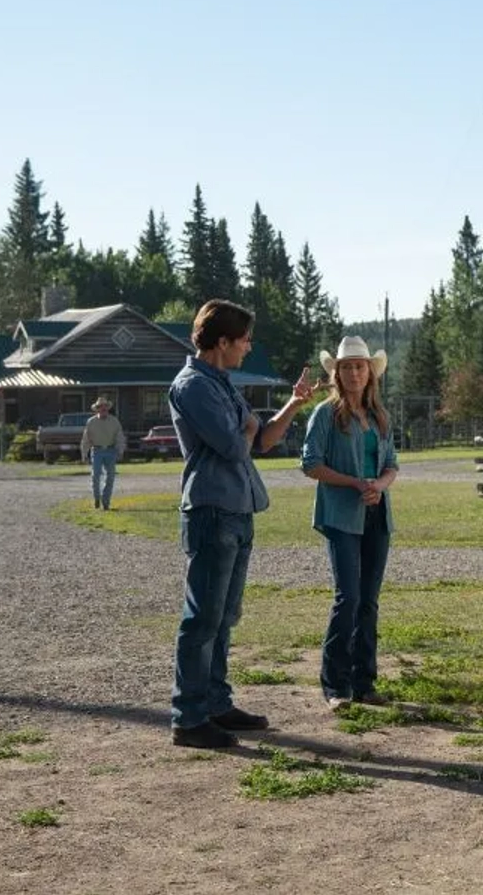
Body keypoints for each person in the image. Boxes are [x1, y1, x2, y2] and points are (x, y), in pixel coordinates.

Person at [167, 298, 317, 749]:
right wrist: (249, 428)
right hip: (212, 510)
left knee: (225, 617)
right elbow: (236, 446)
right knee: (203, 618)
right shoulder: (193, 386)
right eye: (245, 339)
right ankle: (188, 718)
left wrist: (292, 404)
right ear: (223, 341)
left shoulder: (221, 383)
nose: (249, 347)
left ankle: (215, 703)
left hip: (238, 510)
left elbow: (262, 438)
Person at [300, 336, 399, 712]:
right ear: (337, 373)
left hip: (377, 515)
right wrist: (355, 482)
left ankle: (364, 682)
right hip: (342, 516)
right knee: (349, 598)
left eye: (360, 366)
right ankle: (335, 685)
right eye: (347, 367)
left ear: (370, 373)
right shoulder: (326, 415)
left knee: (369, 602)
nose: (355, 372)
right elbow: (310, 464)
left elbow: (392, 465)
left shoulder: (379, 416)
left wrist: (378, 485)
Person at [82, 396, 125, 510]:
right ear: (97, 409)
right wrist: (84, 454)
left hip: (111, 450)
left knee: (110, 477)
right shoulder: (91, 422)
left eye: (105, 407)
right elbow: (86, 439)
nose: (103, 409)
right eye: (101, 407)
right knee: (95, 476)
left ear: (108, 408)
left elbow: (119, 437)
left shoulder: (114, 421)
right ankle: (97, 498)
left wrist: (120, 450)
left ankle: (106, 502)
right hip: (97, 450)